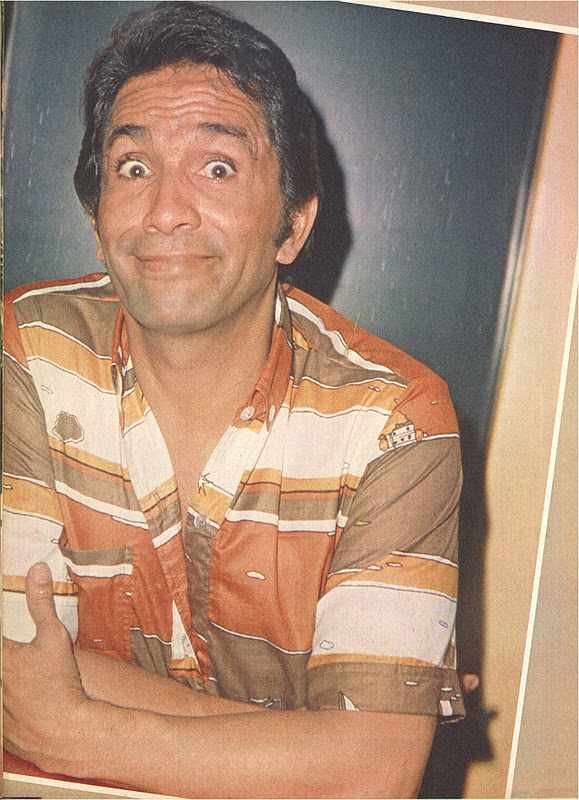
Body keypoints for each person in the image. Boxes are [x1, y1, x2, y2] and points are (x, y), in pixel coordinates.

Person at [3, 3, 467, 797]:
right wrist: (314, 747)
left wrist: (79, 728)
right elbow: (15, 666)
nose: (165, 211)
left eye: (216, 168)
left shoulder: (393, 419)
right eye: (133, 168)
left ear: (292, 227)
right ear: (96, 215)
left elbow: (376, 777)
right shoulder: (28, 350)